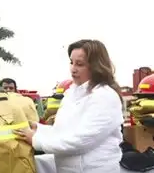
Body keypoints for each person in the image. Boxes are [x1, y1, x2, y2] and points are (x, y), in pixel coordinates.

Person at [15, 39, 124, 173]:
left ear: (96, 66)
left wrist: (36, 140)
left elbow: (80, 140)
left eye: (80, 64)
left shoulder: (105, 96)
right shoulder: (72, 94)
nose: (73, 69)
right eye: (71, 62)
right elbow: (63, 133)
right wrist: (39, 129)